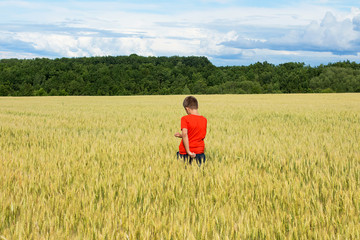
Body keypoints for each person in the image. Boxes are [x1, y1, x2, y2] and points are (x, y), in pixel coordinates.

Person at [174, 96, 207, 166]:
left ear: (187, 109)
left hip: (185, 153)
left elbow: (185, 134)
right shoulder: (204, 120)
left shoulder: (185, 119)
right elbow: (199, 135)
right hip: (199, 152)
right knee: (199, 174)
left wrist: (188, 151)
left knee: (183, 173)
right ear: (197, 106)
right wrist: (181, 135)